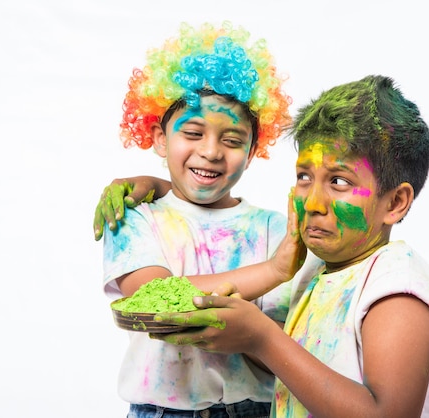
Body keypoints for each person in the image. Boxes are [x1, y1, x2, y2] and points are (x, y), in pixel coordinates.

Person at [147, 75, 429, 417]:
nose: (312, 203)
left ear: (395, 202)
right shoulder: (316, 271)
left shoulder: (399, 291)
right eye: (305, 177)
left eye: (339, 182)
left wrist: (262, 338)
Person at [101, 21, 304, 418]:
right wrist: (275, 269)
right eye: (192, 132)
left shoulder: (276, 230)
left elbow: (284, 350)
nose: (211, 152)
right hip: (162, 412)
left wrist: (258, 335)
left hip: (256, 409)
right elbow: (154, 298)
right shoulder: (133, 219)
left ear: (251, 152)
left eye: (231, 140)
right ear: (160, 138)